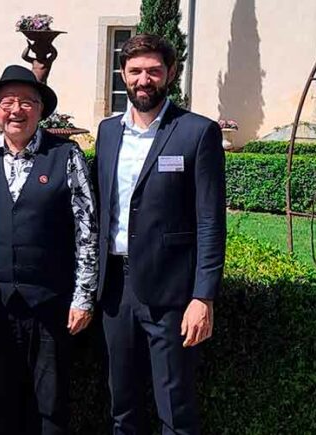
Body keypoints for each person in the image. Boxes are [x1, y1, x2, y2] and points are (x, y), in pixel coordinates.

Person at [94, 34, 226, 434]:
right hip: (114, 289)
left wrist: (203, 296)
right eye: (135, 71)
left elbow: (210, 220)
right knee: (122, 405)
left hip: (172, 293)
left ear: (170, 74)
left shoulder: (196, 132)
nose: (144, 79)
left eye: (153, 71)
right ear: (123, 75)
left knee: (176, 409)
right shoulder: (108, 131)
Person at [0, 65, 98, 435]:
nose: (16, 110)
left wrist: (83, 297)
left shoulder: (66, 155)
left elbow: (87, 229)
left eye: (27, 101)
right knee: (0, 404)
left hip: (52, 305)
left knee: (51, 407)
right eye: (7, 102)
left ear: (41, 111)